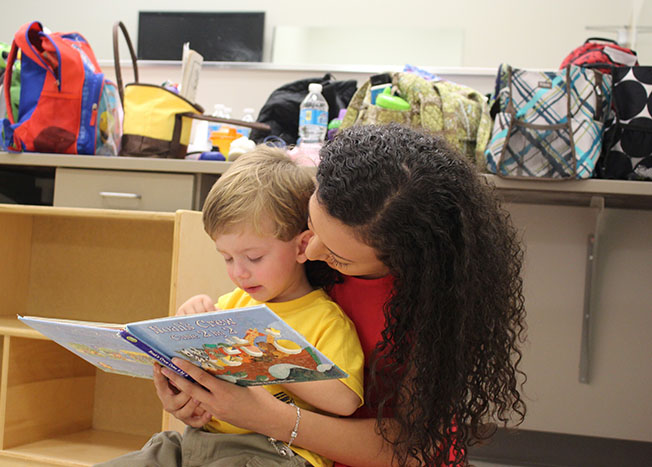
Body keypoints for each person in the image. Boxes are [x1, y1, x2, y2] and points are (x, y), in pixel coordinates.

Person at [154, 124, 527, 466]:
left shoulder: (437, 308)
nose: (312, 252)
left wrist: (263, 417)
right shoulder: (295, 262)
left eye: (338, 256)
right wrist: (198, 400)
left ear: (399, 259)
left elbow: (414, 448)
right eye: (311, 225)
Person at [98, 145, 364, 467]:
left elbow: (345, 401)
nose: (239, 272)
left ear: (303, 246)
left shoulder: (324, 319)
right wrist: (180, 379)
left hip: (272, 453)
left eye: (254, 258)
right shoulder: (231, 305)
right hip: (199, 443)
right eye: (227, 258)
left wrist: (264, 358)